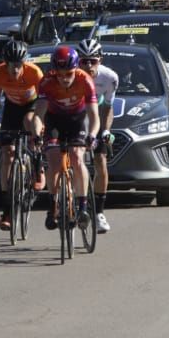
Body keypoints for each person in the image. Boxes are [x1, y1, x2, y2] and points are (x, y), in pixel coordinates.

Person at [34, 44, 100, 230]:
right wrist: (37, 133)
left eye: (68, 74)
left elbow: (94, 116)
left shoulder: (85, 80)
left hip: (77, 119)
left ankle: (83, 206)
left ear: (76, 69)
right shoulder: (47, 82)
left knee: (77, 158)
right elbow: (39, 113)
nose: (63, 78)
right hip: (54, 119)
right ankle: (53, 204)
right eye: (59, 74)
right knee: (54, 162)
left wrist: (92, 135)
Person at [0, 39, 44, 231]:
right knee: (8, 155)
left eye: (18, 66)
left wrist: (40, 125)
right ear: (5, 63)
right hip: (11, 107)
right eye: (11, 66)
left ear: (24, 63)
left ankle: (37, 164)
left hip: (32, 106)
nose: (15, 70)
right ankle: (7, 209)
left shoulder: (35, 72)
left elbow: (45, 101)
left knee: (29, 121)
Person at [75, 38, 118, 233]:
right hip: (75, 115)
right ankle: (76, 202)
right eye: (84, 61)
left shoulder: (110, 78)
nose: (88, 65)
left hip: (97, 116)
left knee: (101, 159)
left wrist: (106, 131)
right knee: (75, 158)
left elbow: (108, 109)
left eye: (93, 60)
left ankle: (99, 212)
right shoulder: (70, 75)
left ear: (100, 60)